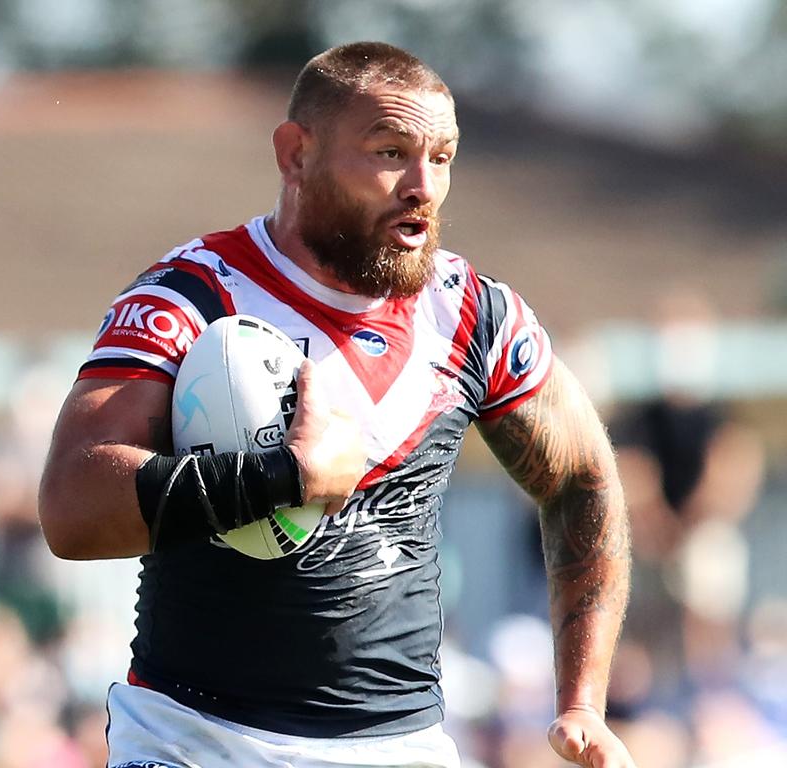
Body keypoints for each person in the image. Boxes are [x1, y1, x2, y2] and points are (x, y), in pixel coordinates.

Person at [39, 42, 635, 768]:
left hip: (399, 749)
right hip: (196, 743)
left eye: (442, 158)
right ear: (296, 154)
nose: (422, 186)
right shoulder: (191, 295)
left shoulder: (473, 314)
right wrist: (284, 477)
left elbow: (580, 479)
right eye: (390, 153)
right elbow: (71, 504)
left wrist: (583, 700)